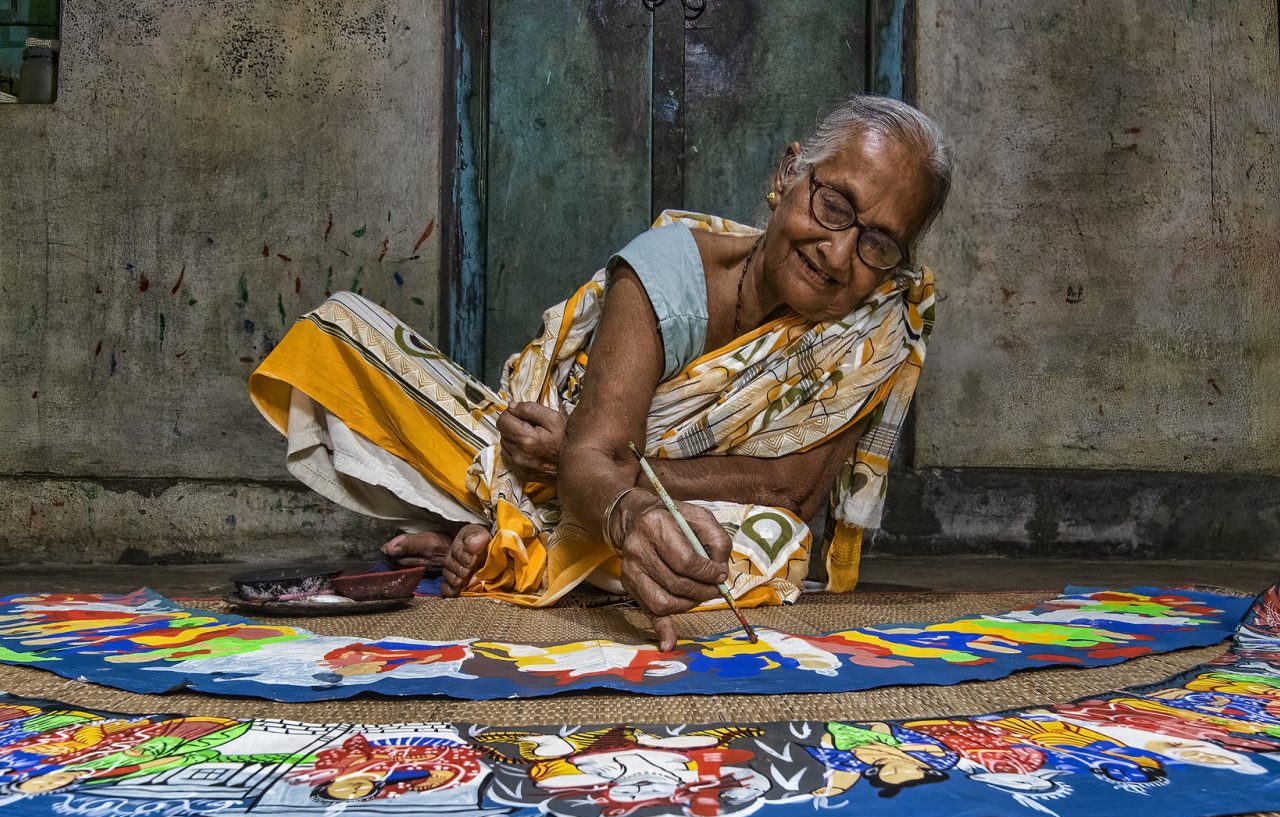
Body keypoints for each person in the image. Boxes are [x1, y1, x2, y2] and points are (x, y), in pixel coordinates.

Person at [251, 95, 949, 648]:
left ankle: (510, 540)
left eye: (878, 242)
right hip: (535, 444)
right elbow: (597, 448)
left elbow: (787, 489)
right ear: (787, 174)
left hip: (615, 479)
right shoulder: (670, 268)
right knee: (341, 333)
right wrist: (600, 476)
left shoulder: (879, 325)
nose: (837, 250)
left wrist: (589, 466)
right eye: (833, 206)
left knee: (772, 549)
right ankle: (525, 529)